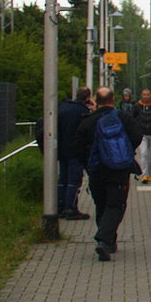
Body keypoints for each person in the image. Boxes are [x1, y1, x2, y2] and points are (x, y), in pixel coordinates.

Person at [76, 87, 143, 261]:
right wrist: (124, 153)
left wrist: (88, 165)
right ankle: (105, 241)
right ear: (113, 100)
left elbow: (78, 146)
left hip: (96, 170)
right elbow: (137, 135)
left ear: (96, 101)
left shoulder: (88, 121)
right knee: (115, 205)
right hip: (118, 170)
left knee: (101, 205)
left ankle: (108, 241)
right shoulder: (123, 117)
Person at [57, 87, 93, 220]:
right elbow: (87, 132)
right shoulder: (82, 112)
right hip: (76, 151)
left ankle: (60, 207)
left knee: (63, 178)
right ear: (88, 98)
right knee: (74, 180)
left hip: (62, 150)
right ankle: (71, 209)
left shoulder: (63, 108)